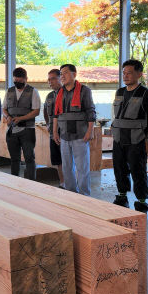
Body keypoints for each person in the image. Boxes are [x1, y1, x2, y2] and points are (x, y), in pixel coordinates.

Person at [111, 59, 148, 212]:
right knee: (119, 168)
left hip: (136, 139)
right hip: (119, 137)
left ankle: (141, 201)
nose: (125, 76)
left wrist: (146, 133)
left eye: (129, 73)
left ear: (139, 74)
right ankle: (121, 196)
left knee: (138, 170)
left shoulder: (147, 94)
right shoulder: (120, 92)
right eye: (124, 73)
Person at [52, 63, 96, 196]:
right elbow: (56, 114)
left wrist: (90, 130)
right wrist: (54, 131)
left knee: (82, 168)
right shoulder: (59, 92)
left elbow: (90, 112)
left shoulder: (84, 90)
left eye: (65, 73)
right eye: (61, 74)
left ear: (74, 74)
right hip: (64, 135)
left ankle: (84, 195)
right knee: (66, 168)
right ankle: (71, 193)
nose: (62, 76)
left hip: (80, 135)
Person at [3, 67, 41, 180]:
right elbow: (3, 108)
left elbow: (36, 111)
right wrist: (8, 116)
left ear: (26, 79)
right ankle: (15, 182)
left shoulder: (33, 91)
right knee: (14, 159)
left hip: (27, 130)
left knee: (29, 158)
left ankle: (32, 183)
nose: (17, 84)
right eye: (15, 81)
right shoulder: (9, 91)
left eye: (20, 82)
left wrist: (21, 118)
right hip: (12, 130)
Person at [43, 68, 64, 188]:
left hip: (65, 132)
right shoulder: (49, 96)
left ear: (60, 78)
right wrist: (47, 124)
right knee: (57, 160)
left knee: (67, 159)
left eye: (53, 79)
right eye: (49, 80)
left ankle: (71, 183)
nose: (50, 82)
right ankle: (62, 182)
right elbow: (45, 111)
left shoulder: (67, 92)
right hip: (53, 132)